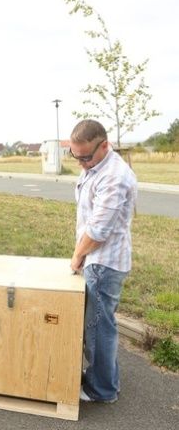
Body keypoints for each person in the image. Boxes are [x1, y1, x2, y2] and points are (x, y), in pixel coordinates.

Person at [69, 119, 137, 403]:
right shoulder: (98, 166)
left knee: (98, 329)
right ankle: (104, 379)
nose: (82, 163)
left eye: (86, 156)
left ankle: (102, 390)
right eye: (76, 157)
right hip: (96, 258)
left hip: (104, 263)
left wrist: (77, 256)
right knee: (97, 326)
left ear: (104, 145)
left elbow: (98, 231)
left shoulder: (114, 176)